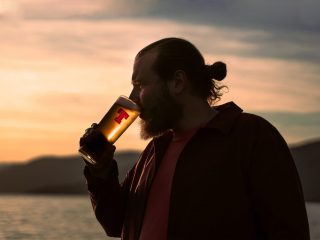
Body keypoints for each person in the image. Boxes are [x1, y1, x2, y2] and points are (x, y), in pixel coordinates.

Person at [80, 38, 310, 240]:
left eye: (139, 85)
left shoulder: (250, 136)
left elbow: (288, 231)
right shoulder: (154, 150)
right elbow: (115, 224)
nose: (133, 98)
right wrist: (101, 172)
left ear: (178, 82)